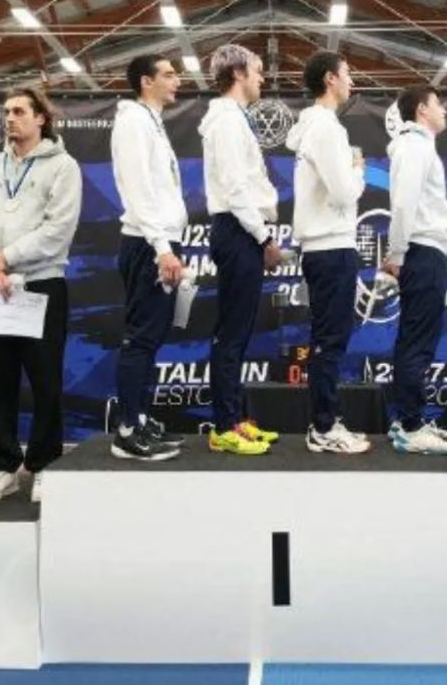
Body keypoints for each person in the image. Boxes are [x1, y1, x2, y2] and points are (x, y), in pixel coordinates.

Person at [0, 85, 82, 503]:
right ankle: (2, 467)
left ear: (41, 119)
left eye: (18, 111)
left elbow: (58, 230)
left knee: (45, 381)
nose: (9, 119)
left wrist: (6, 258)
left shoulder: (63, 167)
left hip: (41, 285)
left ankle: (45, 463)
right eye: (6, 112)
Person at [200, 44, 282, 455]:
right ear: (237, 74)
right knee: (231, 334)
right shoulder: (228, 122)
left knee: (237, 332)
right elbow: (235, 188)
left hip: (240, 230)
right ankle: (224, 426)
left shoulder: (234, 119)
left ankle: (232, 419)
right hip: (237, 230)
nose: (263, 78)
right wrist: (263, 237)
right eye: (257, 70)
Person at [287, 51, 370, 454]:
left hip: (327, 246)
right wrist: (358, 169)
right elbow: (343, 192)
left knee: (328, 340)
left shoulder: (318, 127)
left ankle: (324, 422)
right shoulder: (325, 129)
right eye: (347, 73)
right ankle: (323, 426)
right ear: (329, 79)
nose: (352, 80)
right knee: (329, 342)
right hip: (331, 246)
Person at [110, 54, 186, 461]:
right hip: (146, 244)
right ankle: (126, 431)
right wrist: (161, 248)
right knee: (140, 339)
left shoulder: (151, 122)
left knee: (152, 338)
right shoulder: (133, 123)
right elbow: (138, 189)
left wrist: (167, 244)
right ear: (145, 81)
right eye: (169, 75)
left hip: (160, 241)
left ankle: (139, 418)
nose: (177, 81)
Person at [383, 85, 447, 455]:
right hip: (421, 251)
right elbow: (403, 204)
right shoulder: (414, 146)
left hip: (425, 251)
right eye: (438, 104)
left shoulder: (419, 146)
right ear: (421, 110)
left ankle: (406, 419)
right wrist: (396, 253)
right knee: (417, 343)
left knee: (415, 340)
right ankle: (411, 427)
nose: (444, 110)